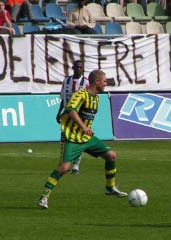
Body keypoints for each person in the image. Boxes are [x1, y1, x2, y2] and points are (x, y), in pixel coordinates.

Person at [37, 69, 127, 209]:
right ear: (97, 82)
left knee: (111, 156)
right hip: (72, 137)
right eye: (104, 82)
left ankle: (110, 187)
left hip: (87, 138)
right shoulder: (81, 94)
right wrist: (84, 128)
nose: (105, 84)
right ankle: (44, 197)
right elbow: (72, 111)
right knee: (65, 168)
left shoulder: (96, 98)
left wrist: (86, 131)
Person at [56, 60, 89, 174]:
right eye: (77, 67)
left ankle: (76, 165)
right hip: (66, 114)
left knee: (78, 139)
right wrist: (59, 112)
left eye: (81, 68)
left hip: (79, 115)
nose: (79, 69)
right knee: (64, 139)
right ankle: (63, 162)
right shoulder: (66, 81)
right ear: (73, 68)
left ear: (83, 69)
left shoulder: (85, 82)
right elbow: (63, 98)